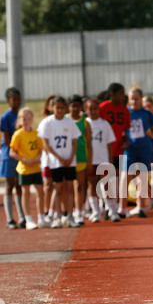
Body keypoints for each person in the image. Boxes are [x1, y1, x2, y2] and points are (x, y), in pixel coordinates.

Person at [118, 86, 153, 218]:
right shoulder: (125, 112)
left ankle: (141, 206)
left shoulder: (146, 113)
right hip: (130, 149)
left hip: (144, 148)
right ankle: (122, 207)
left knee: (142, 178)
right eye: (131, 99)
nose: (134, 102)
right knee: (125, 177)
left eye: (136, 99)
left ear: (141, 99)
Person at [38, 95, 81, 228]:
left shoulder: (70, 123)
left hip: (69, 161)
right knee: (57, 188)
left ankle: (69, 216)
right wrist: (59, 158)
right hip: (55, 162)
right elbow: (45, 144)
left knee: (69, 187)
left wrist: (70, 157)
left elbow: (75, 142)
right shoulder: (47, 123)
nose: (60, 110)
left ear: (65, 108)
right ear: (52, 108)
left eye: (62, 108)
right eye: (57, 108)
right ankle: (56, 215)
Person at [9, 107, 46, 230]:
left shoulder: (36, 134)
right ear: (19, 120)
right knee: (26, 193)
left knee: (40, 191)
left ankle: (41, 217)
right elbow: (12, 152)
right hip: (24, 168)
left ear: (32, 119)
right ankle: (28, 218)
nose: (26, 121)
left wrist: (37, 158)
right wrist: (24, 159)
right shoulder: (18, 135)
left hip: (35, 167)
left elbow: (41, 150)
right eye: (23, 119)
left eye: (28, 119)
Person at [98, 83, 131, 212]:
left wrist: (126, 141)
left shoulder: (124, 110)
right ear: (112, 94)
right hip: (104, 148)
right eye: (120, 93)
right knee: (105, 177)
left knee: (116, 177)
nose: (123, 96)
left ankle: (114, 204)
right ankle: (105, 204)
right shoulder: (103, 108)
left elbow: (125, 130)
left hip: (118, 148)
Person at [85, 99, 118, 222]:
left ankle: (112, 210)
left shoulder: (104, 124)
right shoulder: (85, 124)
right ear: (86, 110)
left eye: (95, 109)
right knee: (92, 184)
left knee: (106, 185)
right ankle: (95, 211)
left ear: (99, 110)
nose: (93, 111)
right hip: (90, 160)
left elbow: (109, 144)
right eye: (90, 109)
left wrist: (110, 160)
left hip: (103, 158)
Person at [0, 87, 25, 229]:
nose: (16, 101)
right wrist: (16, 151)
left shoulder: (22, 116)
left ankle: (22, 216)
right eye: (13, 99)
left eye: (18, 98)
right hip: (9, 154)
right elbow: (7, 139)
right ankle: (10, 218)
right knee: (10, 184)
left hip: (21, 154)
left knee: (19, 184)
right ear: (8, 101)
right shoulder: (5, 117)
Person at [67, 94, 92, 225]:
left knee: (80, 186)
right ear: (68, 107)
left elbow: (89, 143)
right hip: (66, 158)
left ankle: (79, 212)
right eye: (73, 106)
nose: (75, 108)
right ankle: (66, 213)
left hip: (81, 157)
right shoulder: (64, 120)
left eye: (78, 106)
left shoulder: (85, 123)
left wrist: (89, 162)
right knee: (67, 187)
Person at [39, 94, 55, 215]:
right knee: (48, 185)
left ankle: (56, 211)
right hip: (48, 159)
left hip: (61, 158)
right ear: (48, 107)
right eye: (52, 105)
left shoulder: (65, 121)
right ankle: (46, 210)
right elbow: (42, 142)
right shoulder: (45, 123)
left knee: (60, 185)